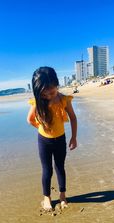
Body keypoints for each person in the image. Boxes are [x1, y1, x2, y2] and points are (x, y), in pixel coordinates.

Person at [27, 66, 77, 211]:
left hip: (60, 139)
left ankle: (62, 195)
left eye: (52, 91)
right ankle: (47, 197)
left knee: (60, 167)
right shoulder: (37, 102)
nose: (48, 95)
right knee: (47, 170)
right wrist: (41, 128)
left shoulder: (64, 100)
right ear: (38, 92)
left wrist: (74, 138)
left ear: (57, 84)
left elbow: (73, 118)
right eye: (44, 94)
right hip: (44, 141)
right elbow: (29, 119)